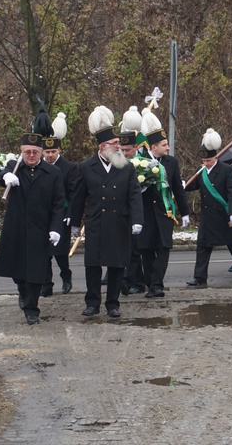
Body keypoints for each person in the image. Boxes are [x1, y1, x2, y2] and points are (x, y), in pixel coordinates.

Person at [70, 106, 144, 318]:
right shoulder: (86, 166)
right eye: (114, 144)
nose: (118, 146)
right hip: (96, 222)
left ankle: (113, 303)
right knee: (93, 265)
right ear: (103, 146)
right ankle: (92, 303)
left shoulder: (126, 167)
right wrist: (75, 222)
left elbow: (134, 195)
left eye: (118, 143)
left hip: (119, 221)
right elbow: (78, 197)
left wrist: (137, 219)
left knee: (116, 265)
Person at [0, 127, 65, 324]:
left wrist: (56, 227)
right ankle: (22, 291)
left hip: (40, 228)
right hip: (16, 227)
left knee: (36, 270)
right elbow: (0, 176)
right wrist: (5, 177)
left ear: (41, 152)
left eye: (35, 152)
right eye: (27, 152)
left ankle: (32, 308)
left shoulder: (53, 172)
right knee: (18, 269)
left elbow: (59, 203)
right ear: (21, 152)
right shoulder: (15, 167)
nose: (31, 155)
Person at [185, 128, 232, 285]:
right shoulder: (200, 171)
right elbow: (192, 185)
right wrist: (183, 184)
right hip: (208, 216)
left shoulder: (227, 170)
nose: (206, 164)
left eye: (208, 161)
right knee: (202, 246)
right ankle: (200, 278)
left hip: (224, 214)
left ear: (215, 157)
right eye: (204, 161)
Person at [138, 109, 190, 298]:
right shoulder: (139, 162)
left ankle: (157, 284)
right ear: (153, 147)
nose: (167, 147)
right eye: (164, 144)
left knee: (164, 247)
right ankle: (150, 283)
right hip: (145, 214)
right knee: (147, 250)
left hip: (165, 213)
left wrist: (184, 212)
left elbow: (178, 189)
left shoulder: (171, 162)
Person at [40, 112, 78, 296]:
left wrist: (71, 213)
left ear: (59, 151)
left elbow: (73, 193)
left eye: (52, 152)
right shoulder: (39, 166)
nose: (49, 155)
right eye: (46, 152)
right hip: (43, 214)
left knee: (60, 252)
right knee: (44, 253)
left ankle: (66, 276)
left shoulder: (69, 168)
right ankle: (46, 285)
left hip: (61, 213)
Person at [118, 130, 147, 295]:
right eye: (121, 150)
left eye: (127, 150)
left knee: (135, 249)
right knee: (125, 249)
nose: (124, 153)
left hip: (137, 213)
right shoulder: (117, 164)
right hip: (120, 212)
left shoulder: (143, 164)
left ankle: (131, 282)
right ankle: (134, 280)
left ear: (135, 148)